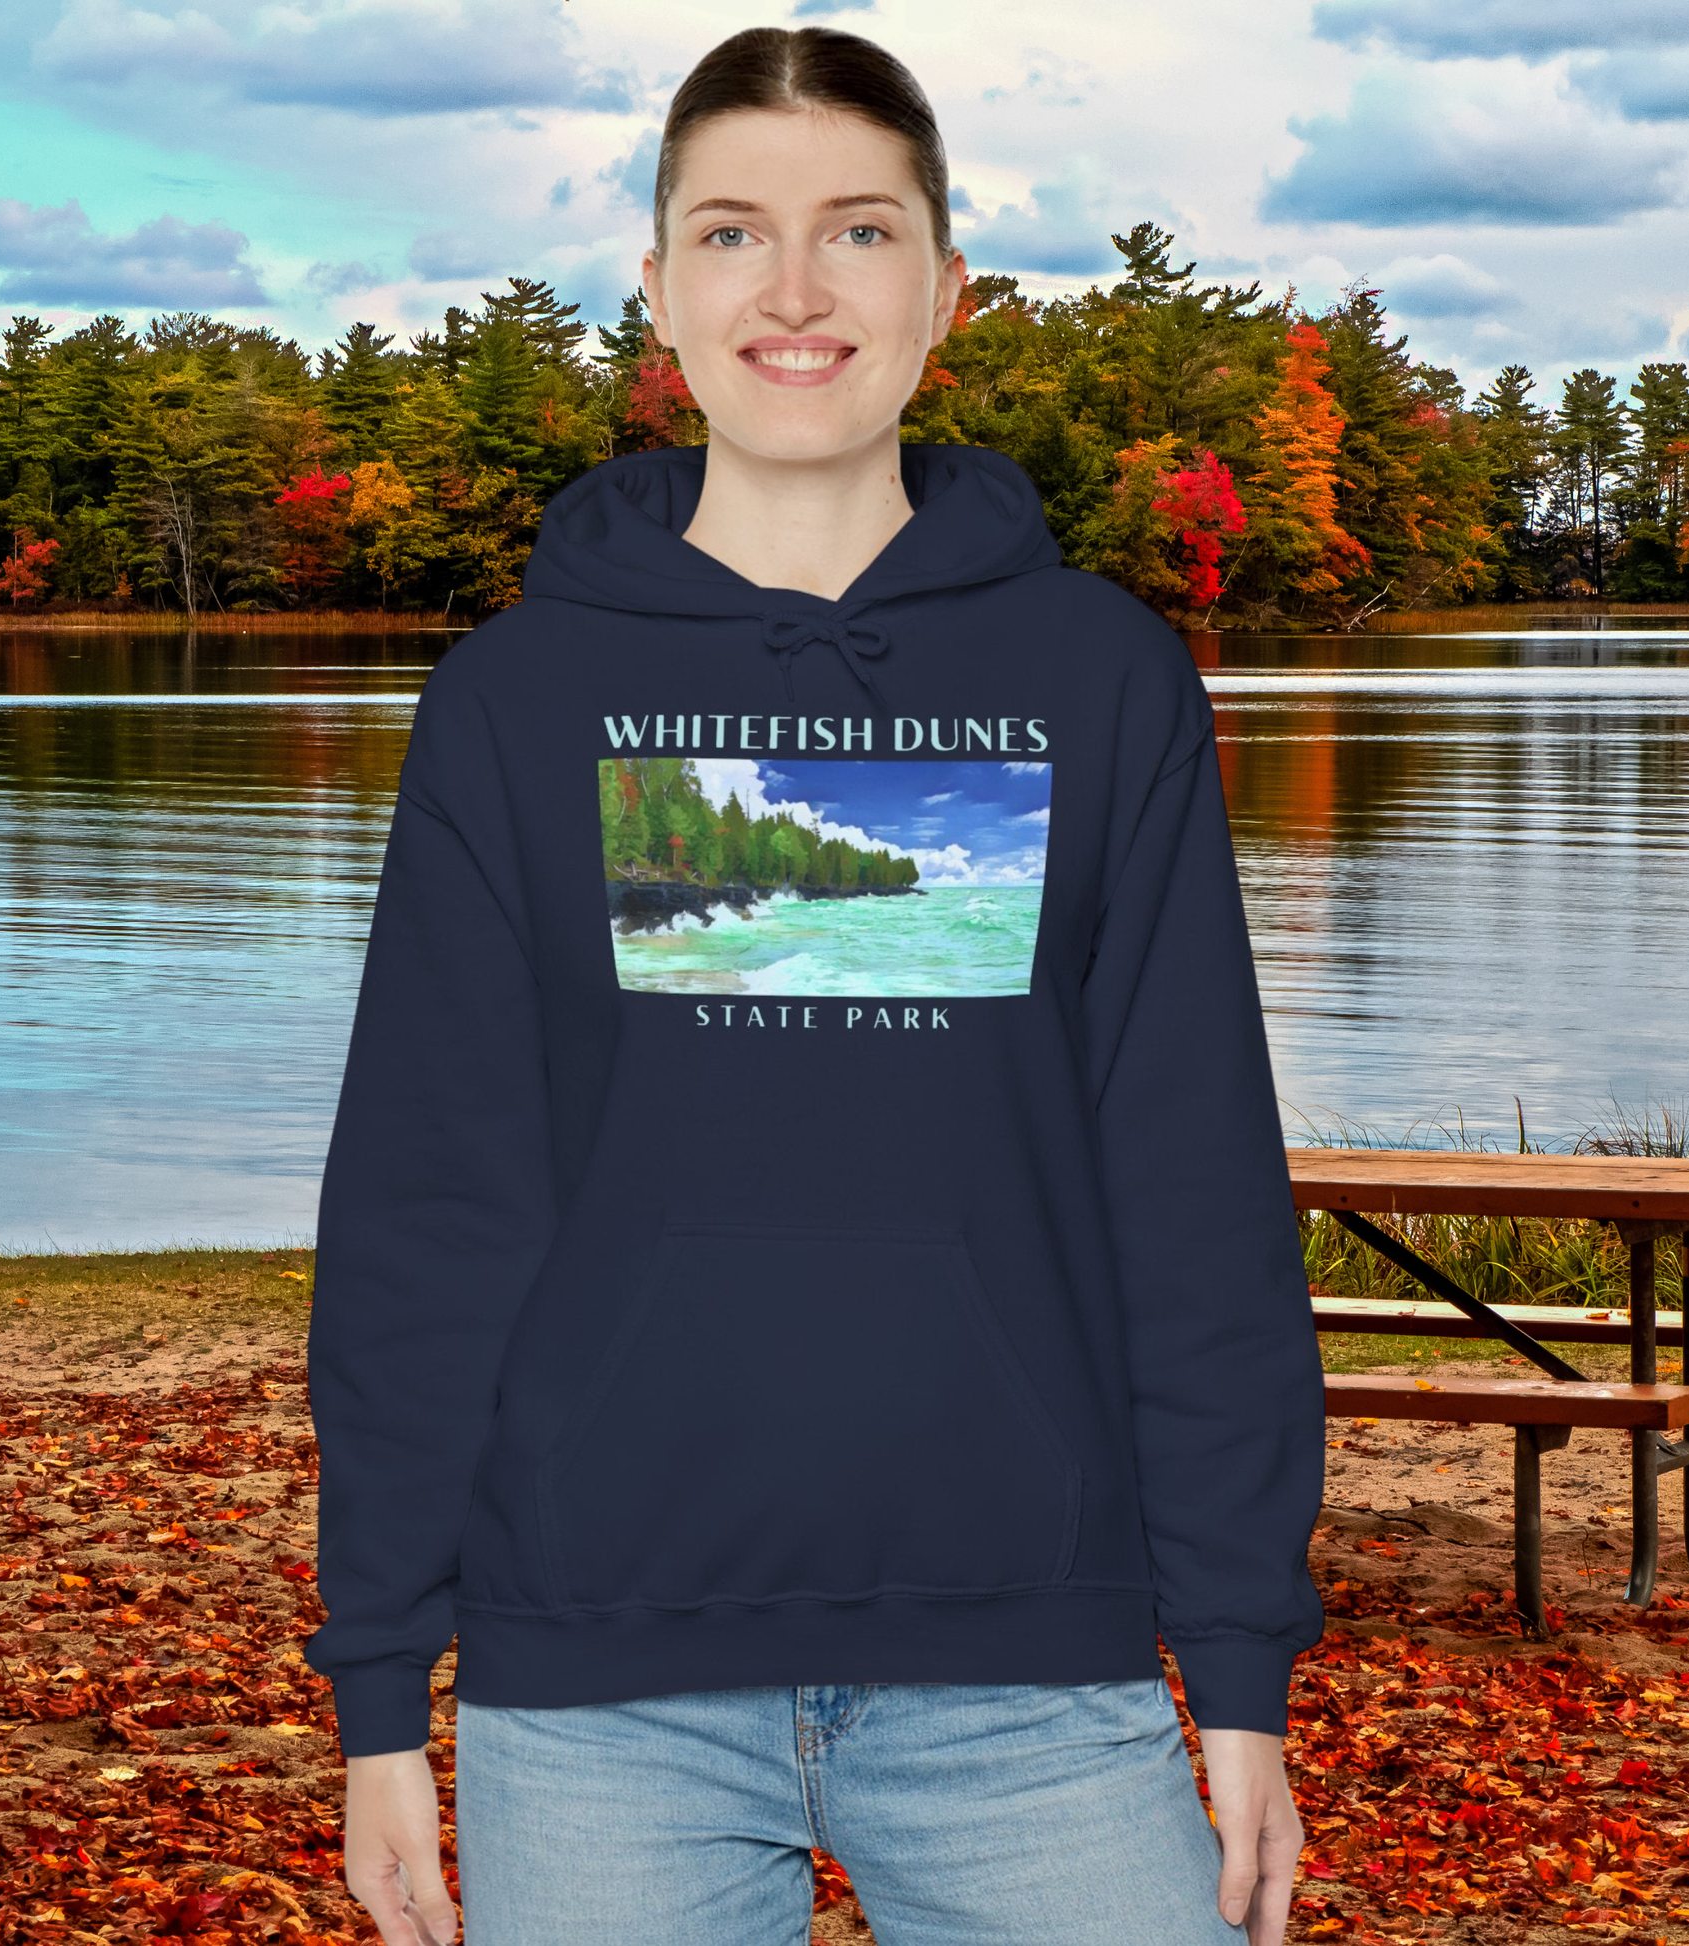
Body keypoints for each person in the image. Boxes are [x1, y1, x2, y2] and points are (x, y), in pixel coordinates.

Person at [305, 23, 1326, 1946]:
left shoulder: (1103, 682)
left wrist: (1243, 1662)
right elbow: (431, 1214)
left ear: (945, 287)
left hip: (1034, 1667)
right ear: (660, 291)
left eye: (856, 231)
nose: (791, 290)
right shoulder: (515, 703)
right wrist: (379, 1688)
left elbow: (1188, 1192)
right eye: (729, 233)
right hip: (598, 1677)